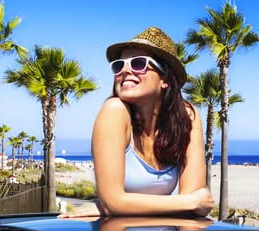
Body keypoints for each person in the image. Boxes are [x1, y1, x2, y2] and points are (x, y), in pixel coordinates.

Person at [59, 26, 214, 218]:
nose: (124, 70)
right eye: (119, 65)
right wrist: (187, 202)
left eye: (138, 63)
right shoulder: (114, 111)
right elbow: (194, 201)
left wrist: (119, 206)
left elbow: (195, 210)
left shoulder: (187, 116)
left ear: (164, 79)